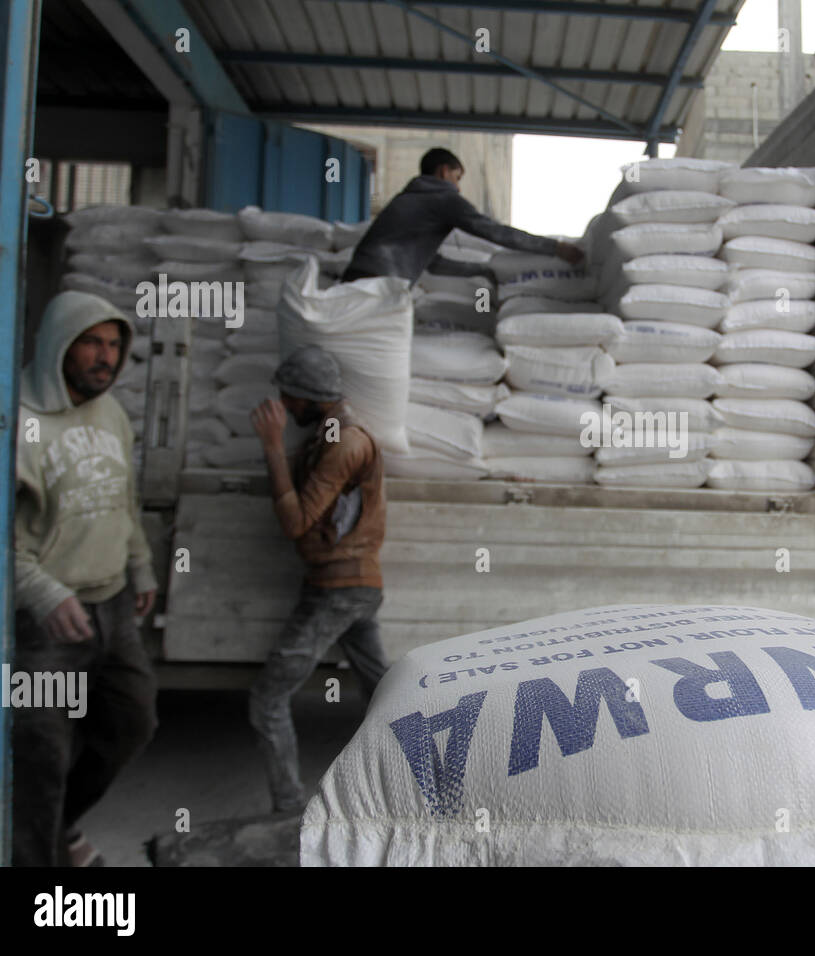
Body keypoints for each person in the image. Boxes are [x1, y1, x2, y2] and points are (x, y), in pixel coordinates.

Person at [11, 290, 159, 867]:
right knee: (41, 752)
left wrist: (140, 562)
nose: (106, 357)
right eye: (92, 343)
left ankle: (61, 827)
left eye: (115, 346)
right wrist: (43, 591)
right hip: (46, 621)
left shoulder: (111, 410)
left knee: (133, 720)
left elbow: (124, 498)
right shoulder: (16, 419)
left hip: (112, 603)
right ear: (58, 345)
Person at [247, 345, 388, 814]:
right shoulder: (332, 436)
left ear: (310, 398)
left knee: (268, 699)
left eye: (290, 398)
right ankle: (418, 790)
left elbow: (297, 521)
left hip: (338, 589)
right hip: (352, 587)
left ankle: (288, 813)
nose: (285, 408)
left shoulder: (345, 443)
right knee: (387, 695)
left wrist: (271, 447)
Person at [341, 146, 584, 283]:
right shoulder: (443, 199)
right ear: (444, 172)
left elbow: (432, 263)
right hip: (382, 282)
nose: (458, 187)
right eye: (457, 178)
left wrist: (481, 270)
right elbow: (493, 231)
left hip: (357, 275)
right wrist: (555, 248)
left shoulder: (407, 198)